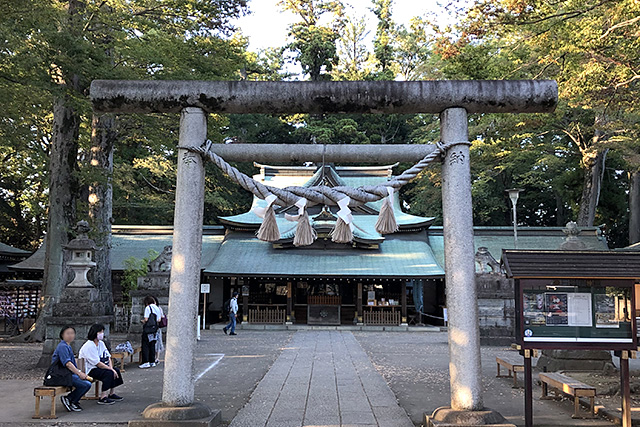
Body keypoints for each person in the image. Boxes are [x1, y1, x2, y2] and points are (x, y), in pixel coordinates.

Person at [78, 324, 124, 405]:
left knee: (116, 370)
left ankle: (111, 393)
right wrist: (110, 369)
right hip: (90, 369)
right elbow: (97, 363)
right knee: (108, 373)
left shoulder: (101, 343)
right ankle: (103, 396)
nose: (102, 334)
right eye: (100, 332)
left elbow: (108, 356)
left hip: (100, 366)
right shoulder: (89, 346)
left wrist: (111, 367)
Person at [52, 326, 92, 412]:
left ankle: (73, 400)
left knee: (86, 382)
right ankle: (70, 399)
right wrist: (79, 373)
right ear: (62, 335)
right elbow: (67, 364)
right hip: (60, 375)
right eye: (68, 333)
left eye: (72, 333)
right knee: (86, 384)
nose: (70, 335)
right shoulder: (62, 346)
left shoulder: (67, 346)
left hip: (67, 374)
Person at [140, 295, 161, 368]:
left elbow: (146, 319)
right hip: (155, 329)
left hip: (148, 329)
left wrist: (143, 321)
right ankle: (152, 361)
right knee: (152, 344)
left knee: (145, 345)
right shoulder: (157, 308)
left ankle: (146, 361)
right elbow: (159, 319)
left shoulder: (148, 308)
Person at [152, 296, 165, 365]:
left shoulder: (158, 308)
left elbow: (161, 317)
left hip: (156, 328)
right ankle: (156, 357)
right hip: (156, 327)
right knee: (157, 342)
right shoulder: (158, 308)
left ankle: (157, 357)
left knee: (157, 342)